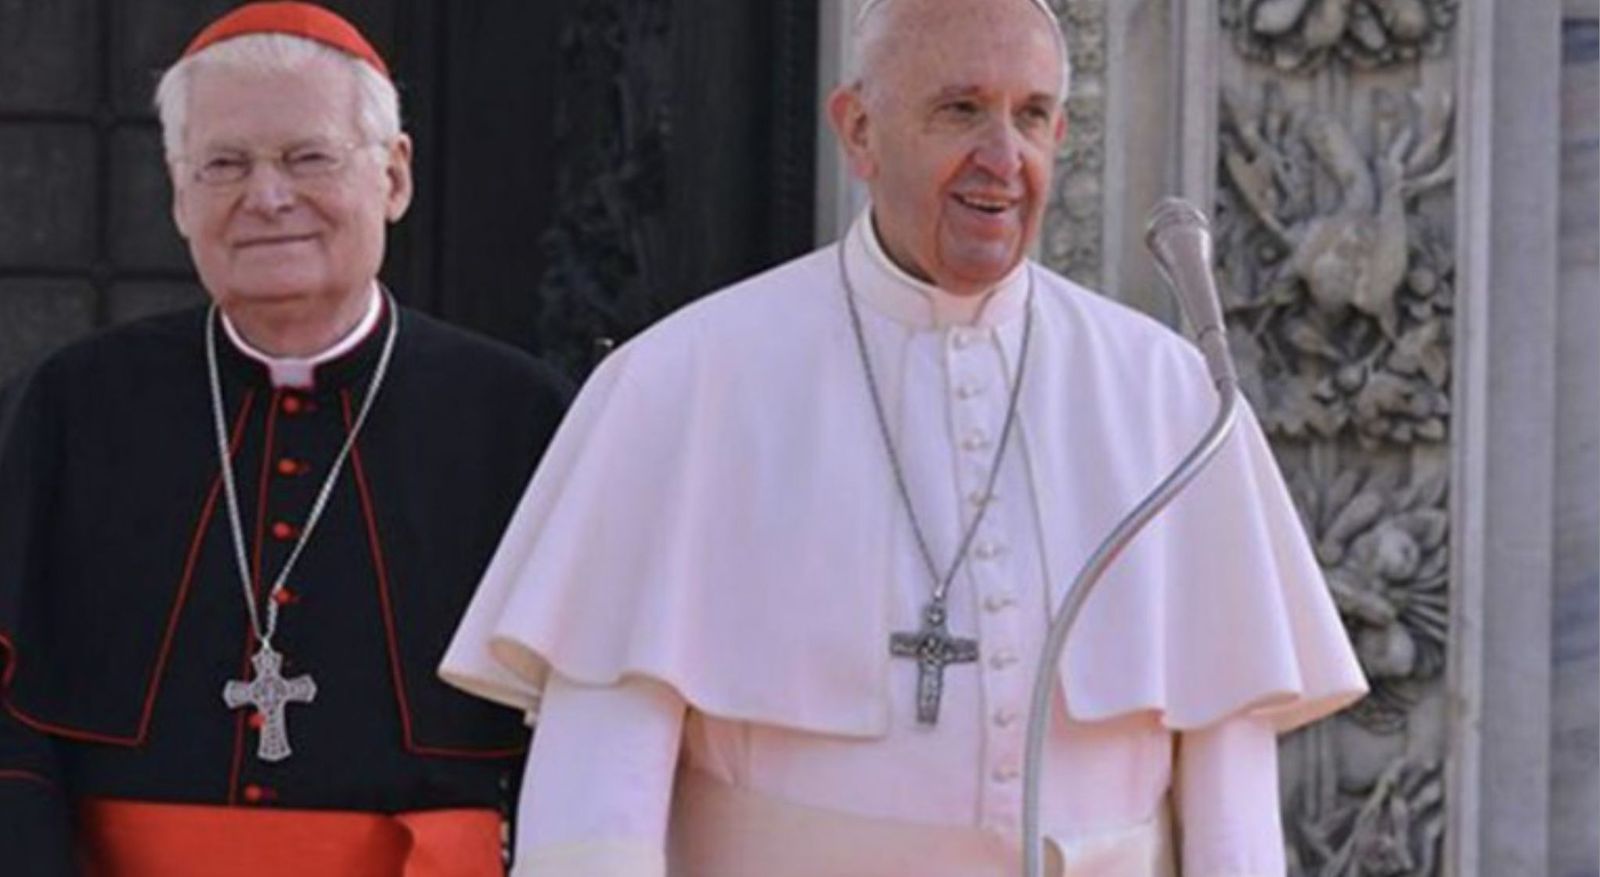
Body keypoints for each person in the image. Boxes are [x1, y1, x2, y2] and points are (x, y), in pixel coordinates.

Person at [440, 0, 1367, 874]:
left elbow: (1231, 779)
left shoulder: (1169, 396)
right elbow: (596, 798)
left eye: (1032, 115)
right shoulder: (682, 385)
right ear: (857, 131)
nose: (1002, 156)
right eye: (961, 109)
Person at [0, 4, 568, 874]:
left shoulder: (518, 416)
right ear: (179, 192)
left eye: (309, 157)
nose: (267, 197)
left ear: (395, 176)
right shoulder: (72, 405)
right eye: (224, 163)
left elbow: (583, 721)